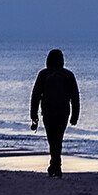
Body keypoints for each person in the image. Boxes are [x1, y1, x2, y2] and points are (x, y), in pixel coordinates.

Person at [30, 48, 80, 176]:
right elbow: (75, 97)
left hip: (48, 111)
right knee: (58, 138)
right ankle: (55, 165)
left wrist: (33, 115)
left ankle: (55, 165)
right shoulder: (68, 75)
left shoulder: (43, 74)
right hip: (63, 112)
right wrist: (75, 115)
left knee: (52, 139)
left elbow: (35, 95)